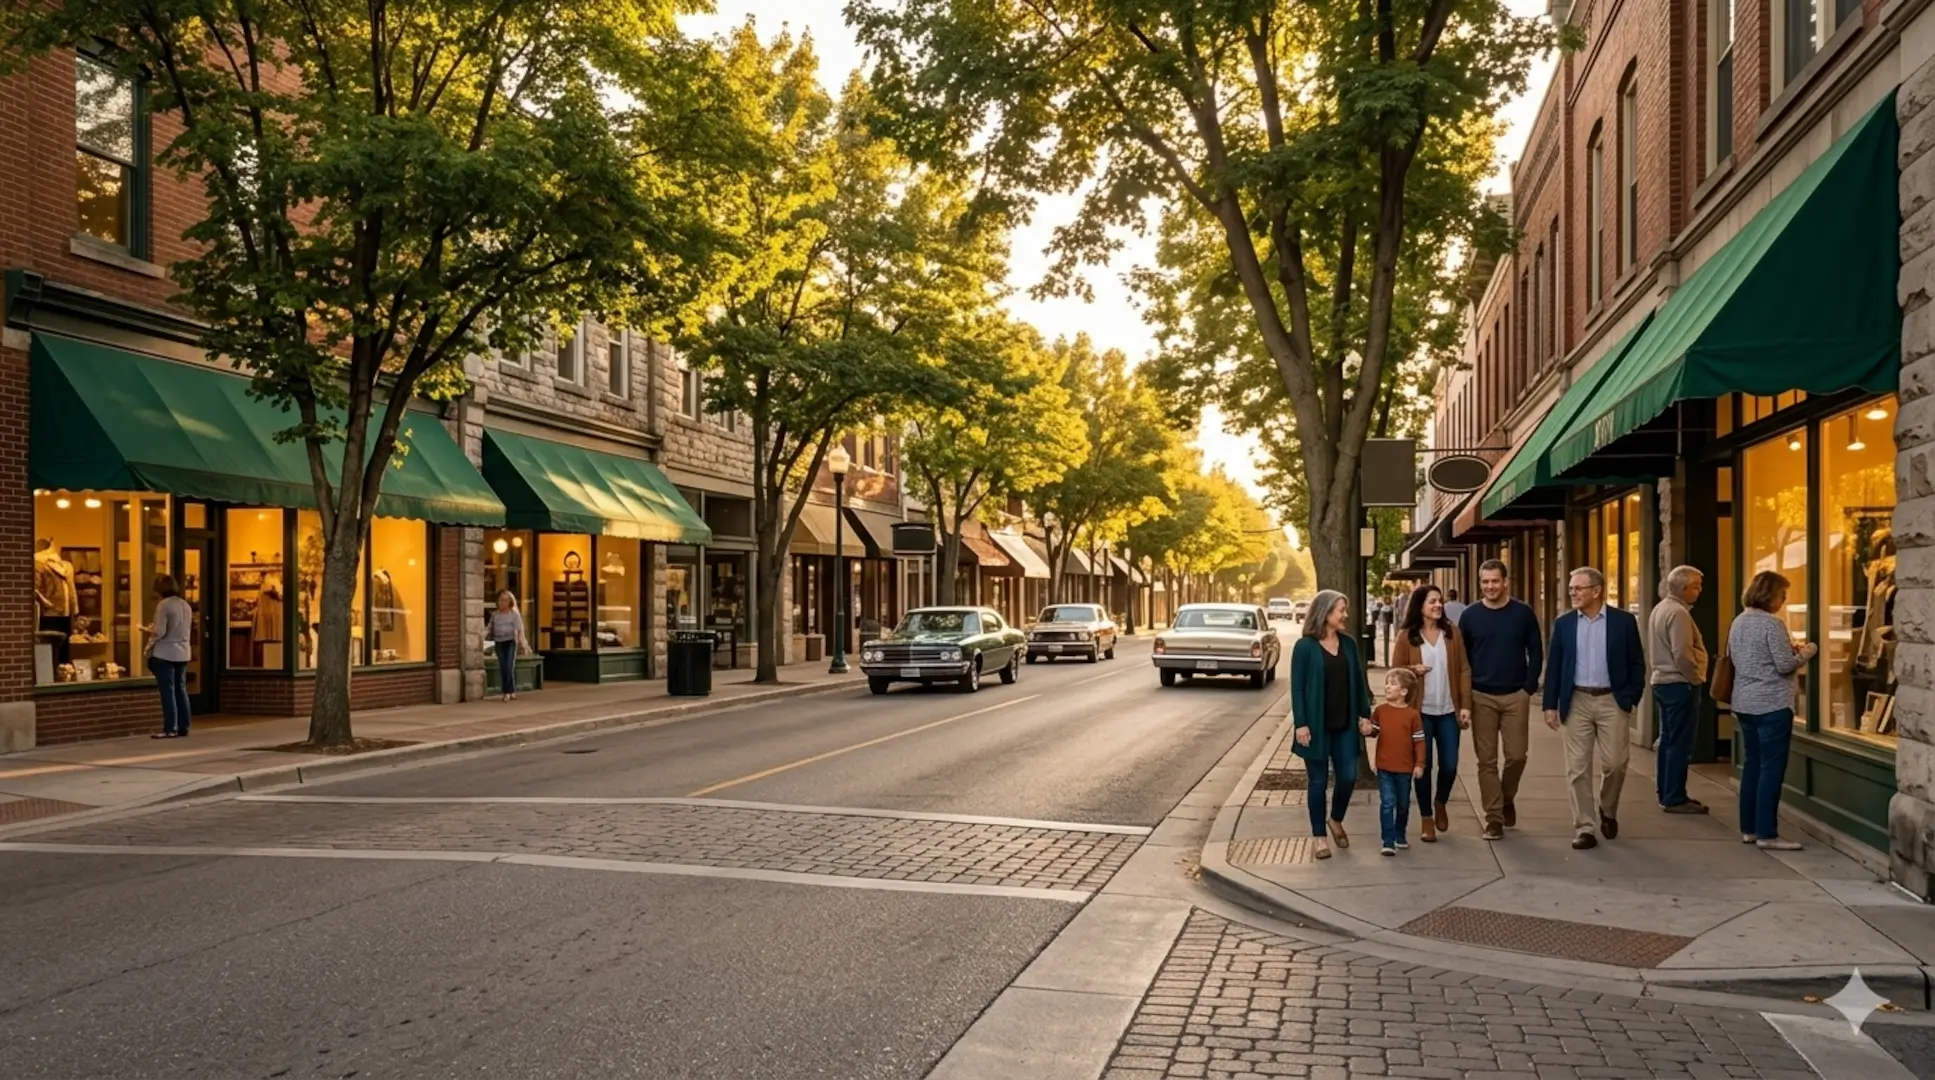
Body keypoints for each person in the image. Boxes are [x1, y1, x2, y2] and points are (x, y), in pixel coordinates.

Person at [1543, 567, 1646, 850]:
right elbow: (1554, 666)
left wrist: (1630, 697)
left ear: (1597, 591)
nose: (1573, 593)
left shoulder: (1623, 622)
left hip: (1613, 700)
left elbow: (1637, 662)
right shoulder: (1564, 624)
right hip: (1576, 701)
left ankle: (1607, 809)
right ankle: (1585, 826)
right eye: (1572, 589)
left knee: (1615, 764)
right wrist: (1550, 703)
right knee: (1577, 769)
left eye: (1579, 588)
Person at [1458, 559, 1544, 840]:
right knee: (1486, 761)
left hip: (1515, 695)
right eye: (1485, 581)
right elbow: (1463, 660)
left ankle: (1506, 798)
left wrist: (1528, 688)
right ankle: (1493, 818)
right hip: (1481, 695)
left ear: (1506, 581)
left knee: (1517, 756)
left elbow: (1536, 651)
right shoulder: (1470, 616)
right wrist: (1466, 695)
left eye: (1495, 581)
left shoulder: (1523, 613)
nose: (1490, 586)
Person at [1729, 571, 1815, 851]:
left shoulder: (1738, 621)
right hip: (1773, 704)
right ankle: (1768, 832)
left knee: (1752, 766)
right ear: (1770, 595)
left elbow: (1740, 657)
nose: (1784, 600)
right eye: (1782, 595)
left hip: (1744, 702)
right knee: (1771, 770)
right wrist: (1807, 652)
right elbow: (1784, 665)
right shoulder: (1772, 624)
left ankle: (1749, 829)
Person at [1291, 589, 1374, 860]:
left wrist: (1364, 715)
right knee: (1317, 782)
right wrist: (1301, 724)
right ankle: (1319, 837)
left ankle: (1336, 818)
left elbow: (1359, 682)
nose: (1345, 615)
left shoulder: (1348, 644)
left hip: (1345, 725)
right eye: (1341, 610)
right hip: (1316, 726)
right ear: (1325, 613)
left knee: (1348, 776)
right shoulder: (1304, 647)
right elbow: (1298, 689)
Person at [1390, 583, 1472, 842]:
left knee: (1449, 766)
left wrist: (1466, 705)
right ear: (1420, 607)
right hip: (1420, 713)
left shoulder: (1452, 633)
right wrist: (1413, 669)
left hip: (1448, 711)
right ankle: (1426, 818)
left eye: (1439, 601)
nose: (1438, 605)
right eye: (1432, 602)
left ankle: (1440, 802)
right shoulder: (1407, 636)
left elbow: (1463, 670)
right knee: (1422, 767)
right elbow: (1395, 673)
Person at [1650, 566, 1710, 815]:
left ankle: (1668, 792)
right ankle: (1674, 796)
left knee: (1669, 740)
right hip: (1678, 683)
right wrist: (1695, 678)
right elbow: (1682, 652)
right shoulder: (1678, 613)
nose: (1700, 591)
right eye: (1696, 586)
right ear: (1683, 588)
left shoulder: (1662, 608)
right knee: (1679, 742)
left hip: (1664, 682)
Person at [1371, 668, 1427, 856]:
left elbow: (1419, 741)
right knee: (1387, 802)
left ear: (1403, 692)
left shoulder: (1413, 716)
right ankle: (1387, 841)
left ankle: (1399, 834)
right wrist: (1366, 729)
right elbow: (1374, 731)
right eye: (1387, 682)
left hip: (1405, 768)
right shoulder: (1380, 711)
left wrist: (1419, 763)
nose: (1387, 686)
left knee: (1403, 804)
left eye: (1393, 683)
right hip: (1384, 766)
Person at [145, 574, 194, 739]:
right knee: (181, 689)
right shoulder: (185, 605)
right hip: (183, 652)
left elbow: (159, 631)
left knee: (167, 691)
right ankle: (183, 726)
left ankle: (169, 728)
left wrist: (147, 634)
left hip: (165, 652)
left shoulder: (164, 605)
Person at [484, 590, 530, 702]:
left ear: (510, 602)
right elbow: (489, 628)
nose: (502, 603)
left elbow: (519, 629)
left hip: (510, 642)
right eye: (500, 600)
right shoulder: (495, 615)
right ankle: (511, 690)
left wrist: (523, 644)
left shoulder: (514, 615)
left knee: (508, 666)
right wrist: (481, 636)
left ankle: (507, 692)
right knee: (503, 666)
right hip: (499, 642)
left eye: (505, 600)